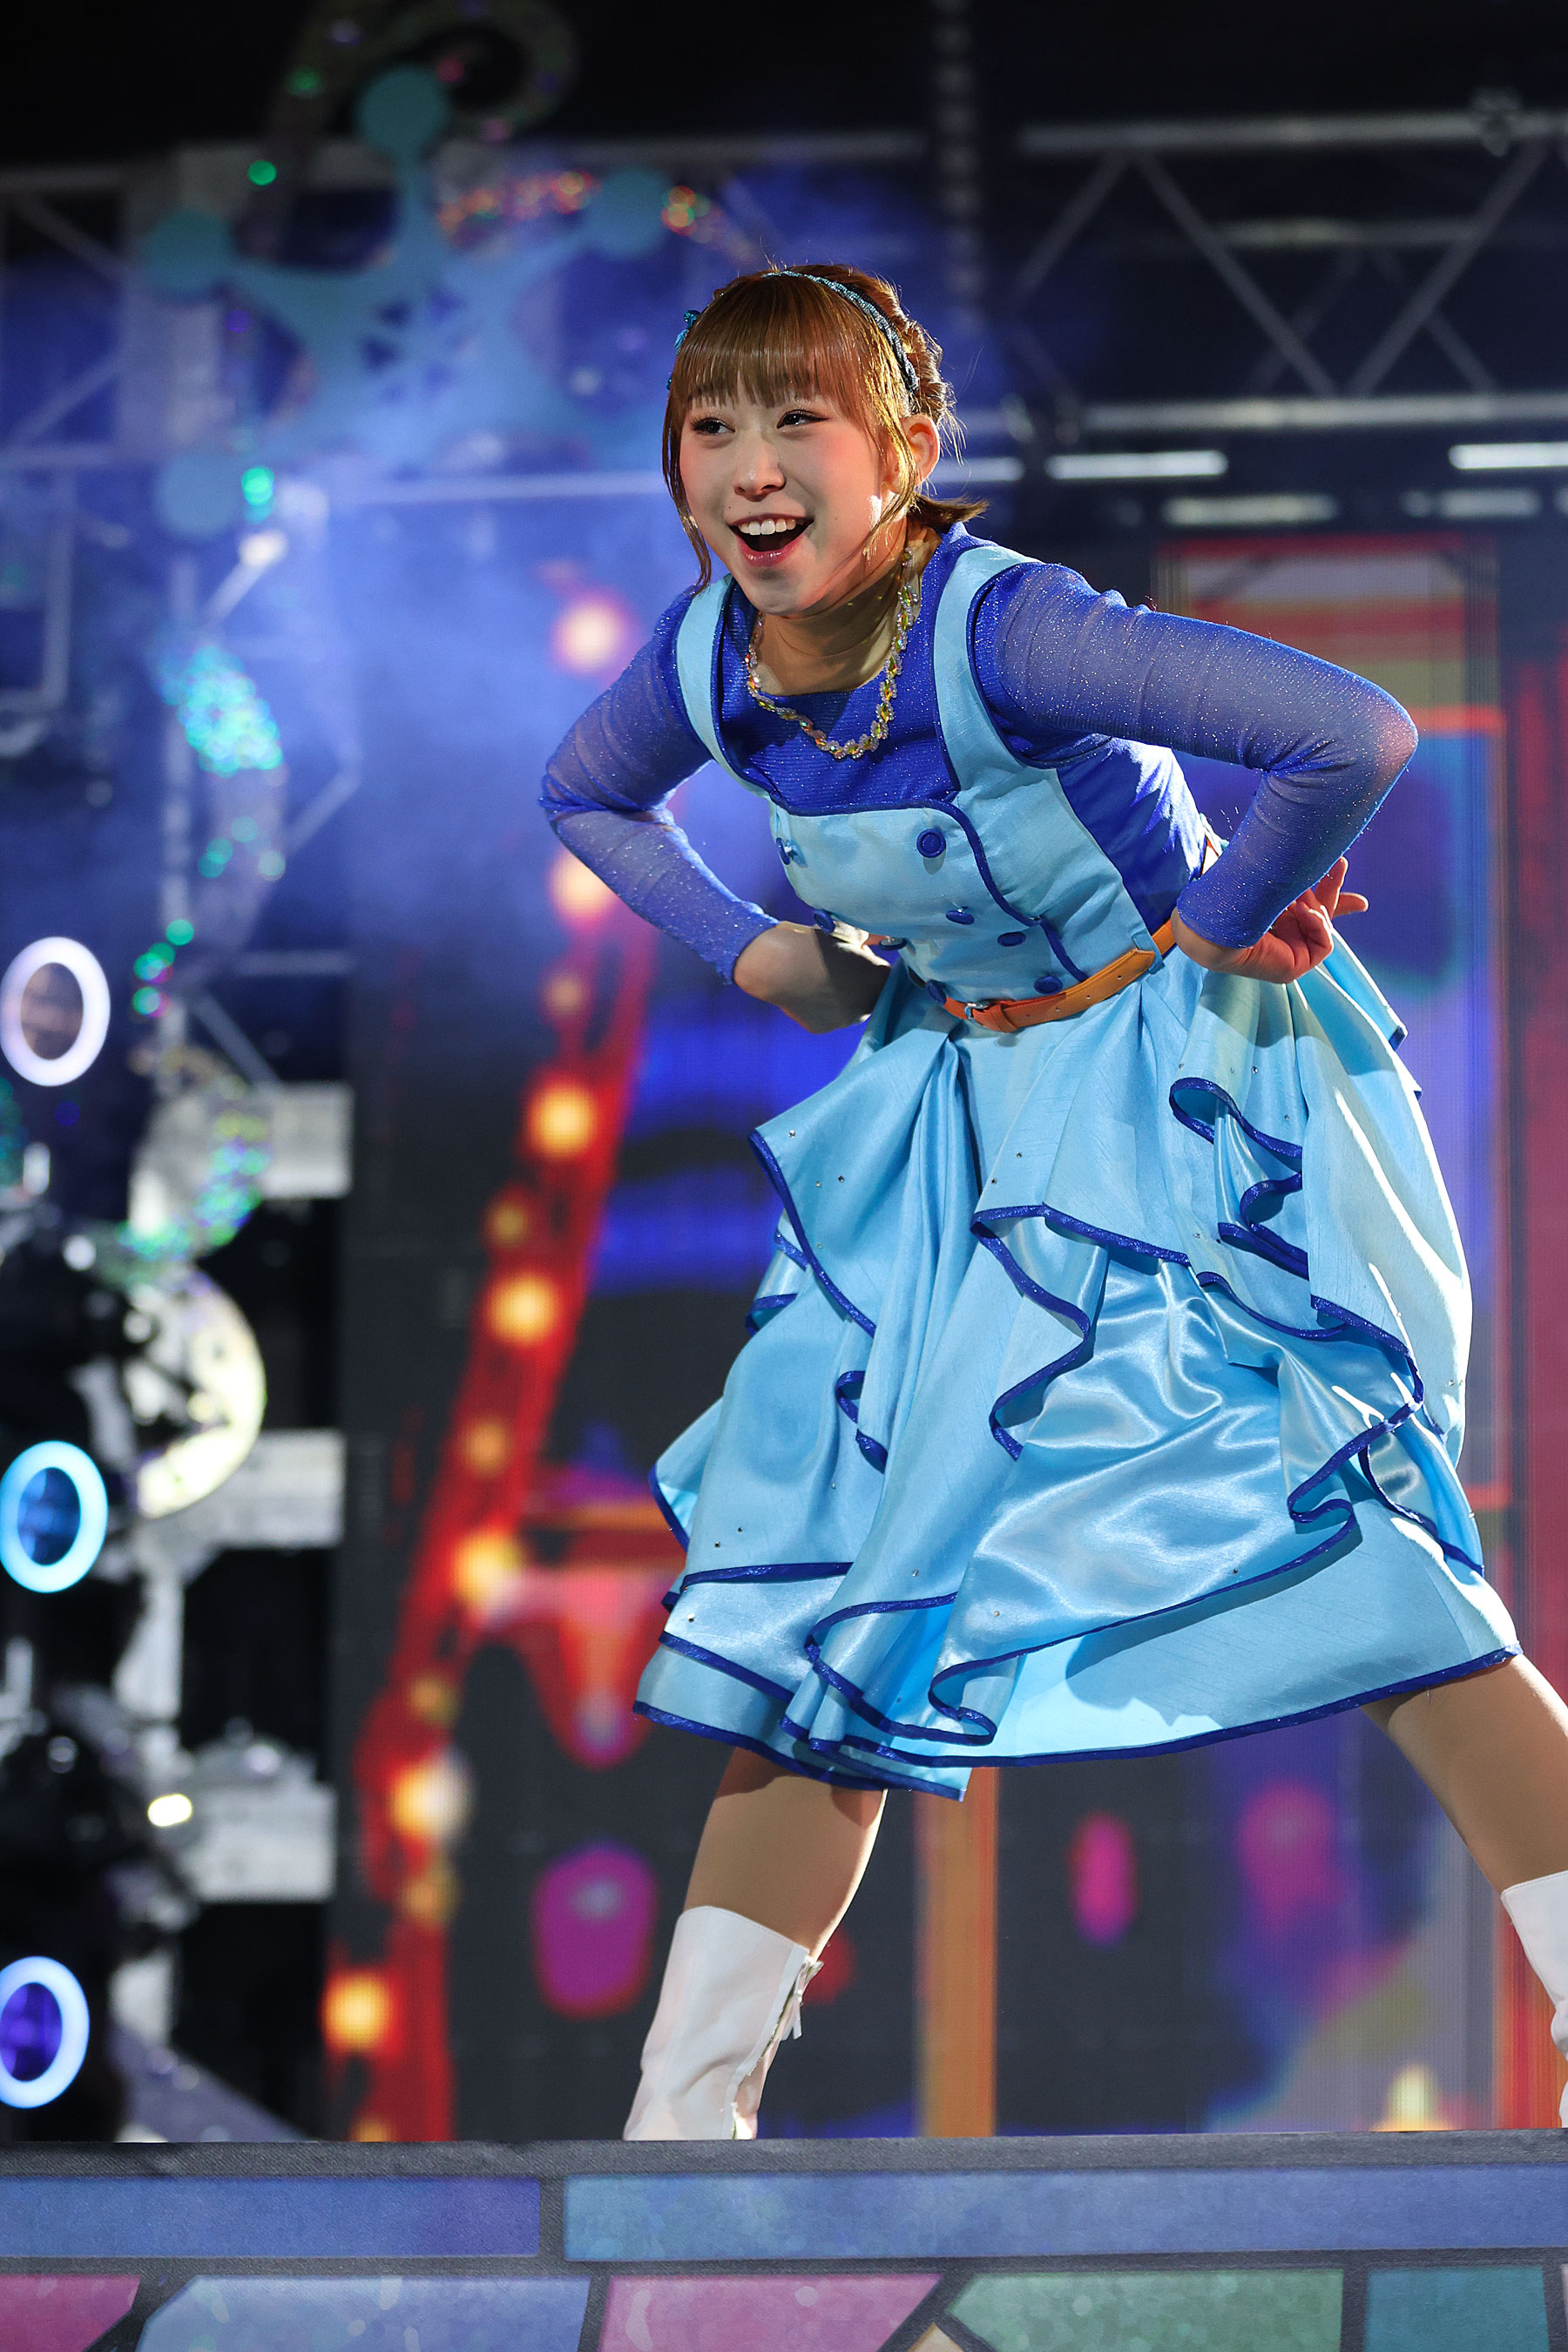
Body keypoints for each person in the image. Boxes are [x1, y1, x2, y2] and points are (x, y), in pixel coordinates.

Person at [542, 262, 1568, 2140]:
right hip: (960, 1130)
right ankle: (676, 2147)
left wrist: (1224, 919)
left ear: (904, 450)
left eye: (799, 422)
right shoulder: (707, 663)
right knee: (837, 1606)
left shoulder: (1013, 632)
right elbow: (587, 797)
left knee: (1353, 1547)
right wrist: (758, 950)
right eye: (713, 428)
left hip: (1173, 1101)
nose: (754, 468)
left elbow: (1349, 733)